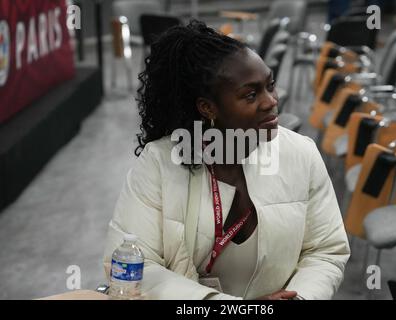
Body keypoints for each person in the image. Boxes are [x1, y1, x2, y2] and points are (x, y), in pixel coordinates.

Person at [103, 20, 350, 300]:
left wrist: (302, 297)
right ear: (208, 108)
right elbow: (134, 265)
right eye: (251, 94)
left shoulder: (301, 153)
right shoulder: (160, 163)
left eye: (271, 85)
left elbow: (325, 250)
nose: (271, 101)